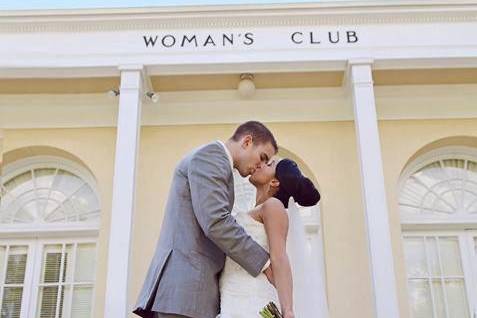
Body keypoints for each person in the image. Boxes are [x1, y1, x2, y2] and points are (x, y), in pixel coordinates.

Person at [133, 121, 278, 318]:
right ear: (247, 141)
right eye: (262, 157)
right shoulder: (211, 157)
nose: (260, 166)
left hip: (194, 291)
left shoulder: (218, 163)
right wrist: (265, 263)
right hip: (186, 288)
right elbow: (216, 222)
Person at [218, 158, 320, 318]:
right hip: (233, 299)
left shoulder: (273, 206)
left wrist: (288, 311)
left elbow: (279, 257)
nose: (260, 163)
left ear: (274, 182)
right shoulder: (258, 210)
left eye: (269, 164)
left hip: (253, 300)